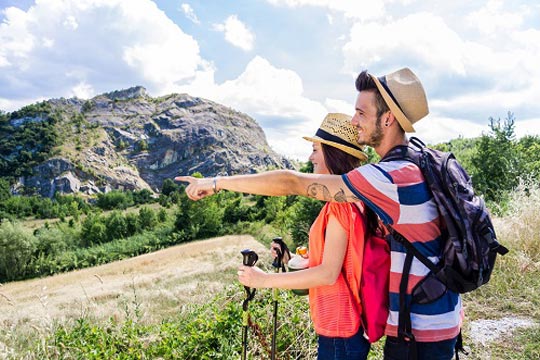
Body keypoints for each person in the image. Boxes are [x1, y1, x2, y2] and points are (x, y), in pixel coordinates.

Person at [176, 68, 462, 360]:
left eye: (361, 113)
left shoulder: (389, 176)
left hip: (419, 328)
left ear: (387, 119)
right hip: (436, 314)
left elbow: (291, 183)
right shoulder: (415, 163)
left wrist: (216, 183)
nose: (354, 121)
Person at [247, 113, 380, 359]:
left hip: (340, 332)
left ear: (333, 153)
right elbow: (337, 264)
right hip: (341, 330)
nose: (310, 157)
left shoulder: (341, 206)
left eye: (315, 149)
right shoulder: (345, 203)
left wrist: (264, 280)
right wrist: (290, 260)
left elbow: (328, 274)